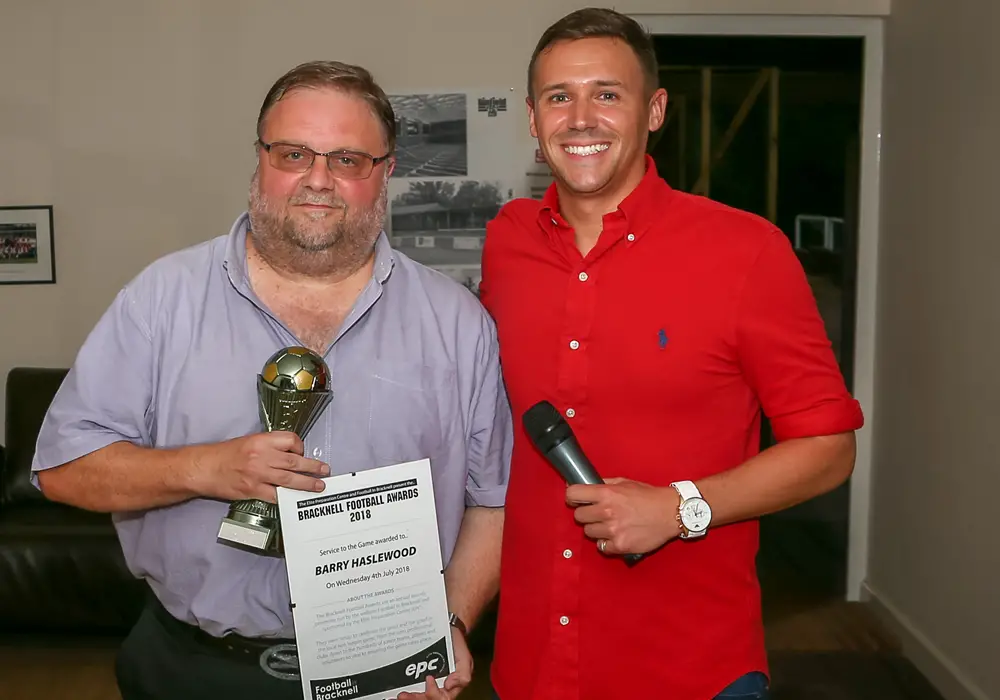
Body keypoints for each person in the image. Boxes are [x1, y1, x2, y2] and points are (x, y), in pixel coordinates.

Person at [31, 60, 511, 700]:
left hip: (388, 674)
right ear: (259, 160)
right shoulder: (161, 300)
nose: (318, 180)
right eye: (293, 153)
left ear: (385, 172)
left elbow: (493, 499)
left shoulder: (457, 323)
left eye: (347, 159)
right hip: (193, 669)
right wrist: (203, 470)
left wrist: (450, 622)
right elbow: (64, 469)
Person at [479, 8, 864, 700]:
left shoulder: (746, 253)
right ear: (533, 120)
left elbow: (830, 448)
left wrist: (682, 507)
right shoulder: (507, 243)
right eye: (558, 96)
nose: (581, 117)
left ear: (654, 110)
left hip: (688, 670)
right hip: (531, 666)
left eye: (608, 93)